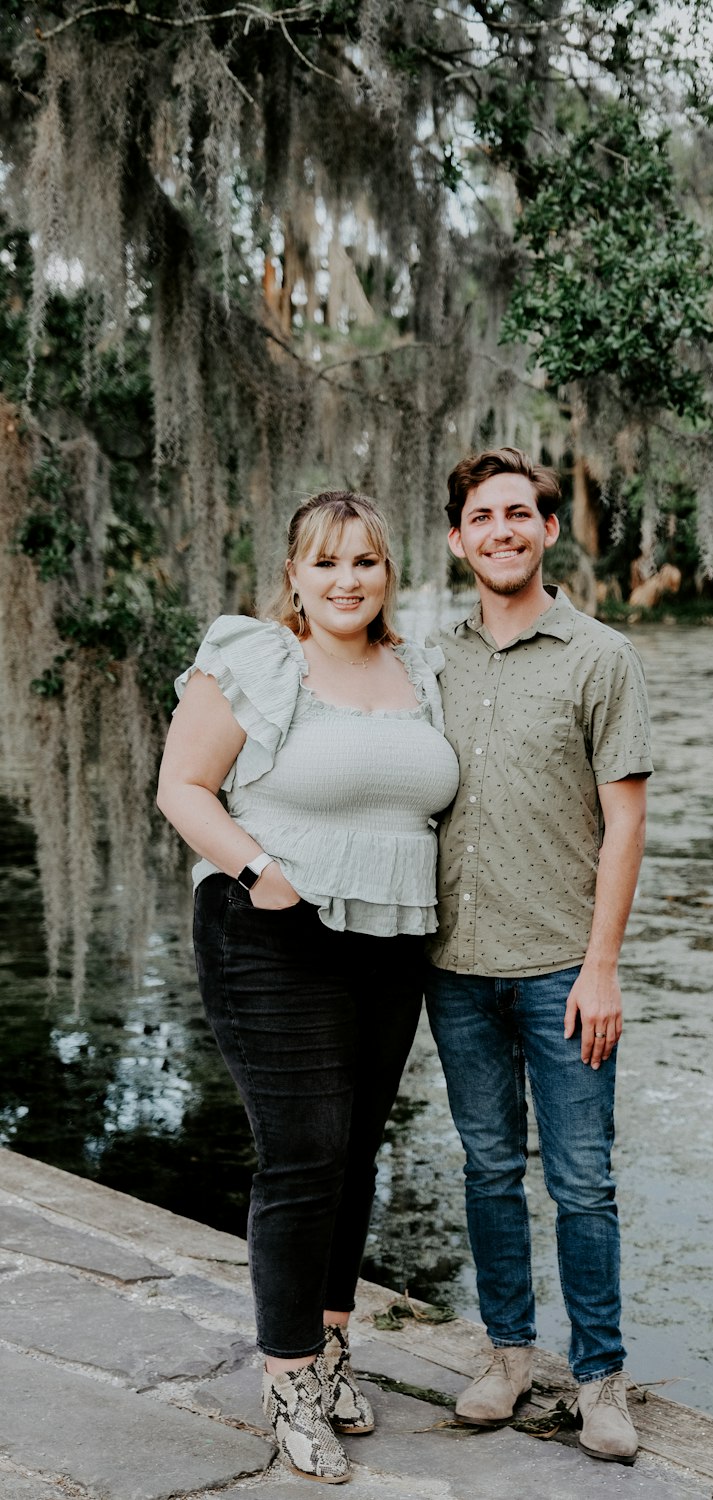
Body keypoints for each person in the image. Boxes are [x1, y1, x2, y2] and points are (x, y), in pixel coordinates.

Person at [157, 491, 460, 1484]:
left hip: (392, 939)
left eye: (364, 563)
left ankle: (331, 1351)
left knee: (356, 1154)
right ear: (293, 574)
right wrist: (258, 874)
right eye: (325, 563)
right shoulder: (254, 657)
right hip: (271, 935)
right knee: (302, 1154)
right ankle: (287, 1385)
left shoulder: (419, 671)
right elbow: (183, 788)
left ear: (387, 574)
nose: (345, 581)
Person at [425, 447, 652, 1466]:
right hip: (455, 964)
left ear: (548, 531)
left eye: (520, 514)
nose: (503, 530)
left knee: (582, 1183)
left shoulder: (600, 657)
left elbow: (626, 825)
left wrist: (601, 967)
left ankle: (599, 1378)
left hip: (564, 967)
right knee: (484, 1169)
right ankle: (508, 1356)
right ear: (457, 538)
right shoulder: (436, 657)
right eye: (483, 517)